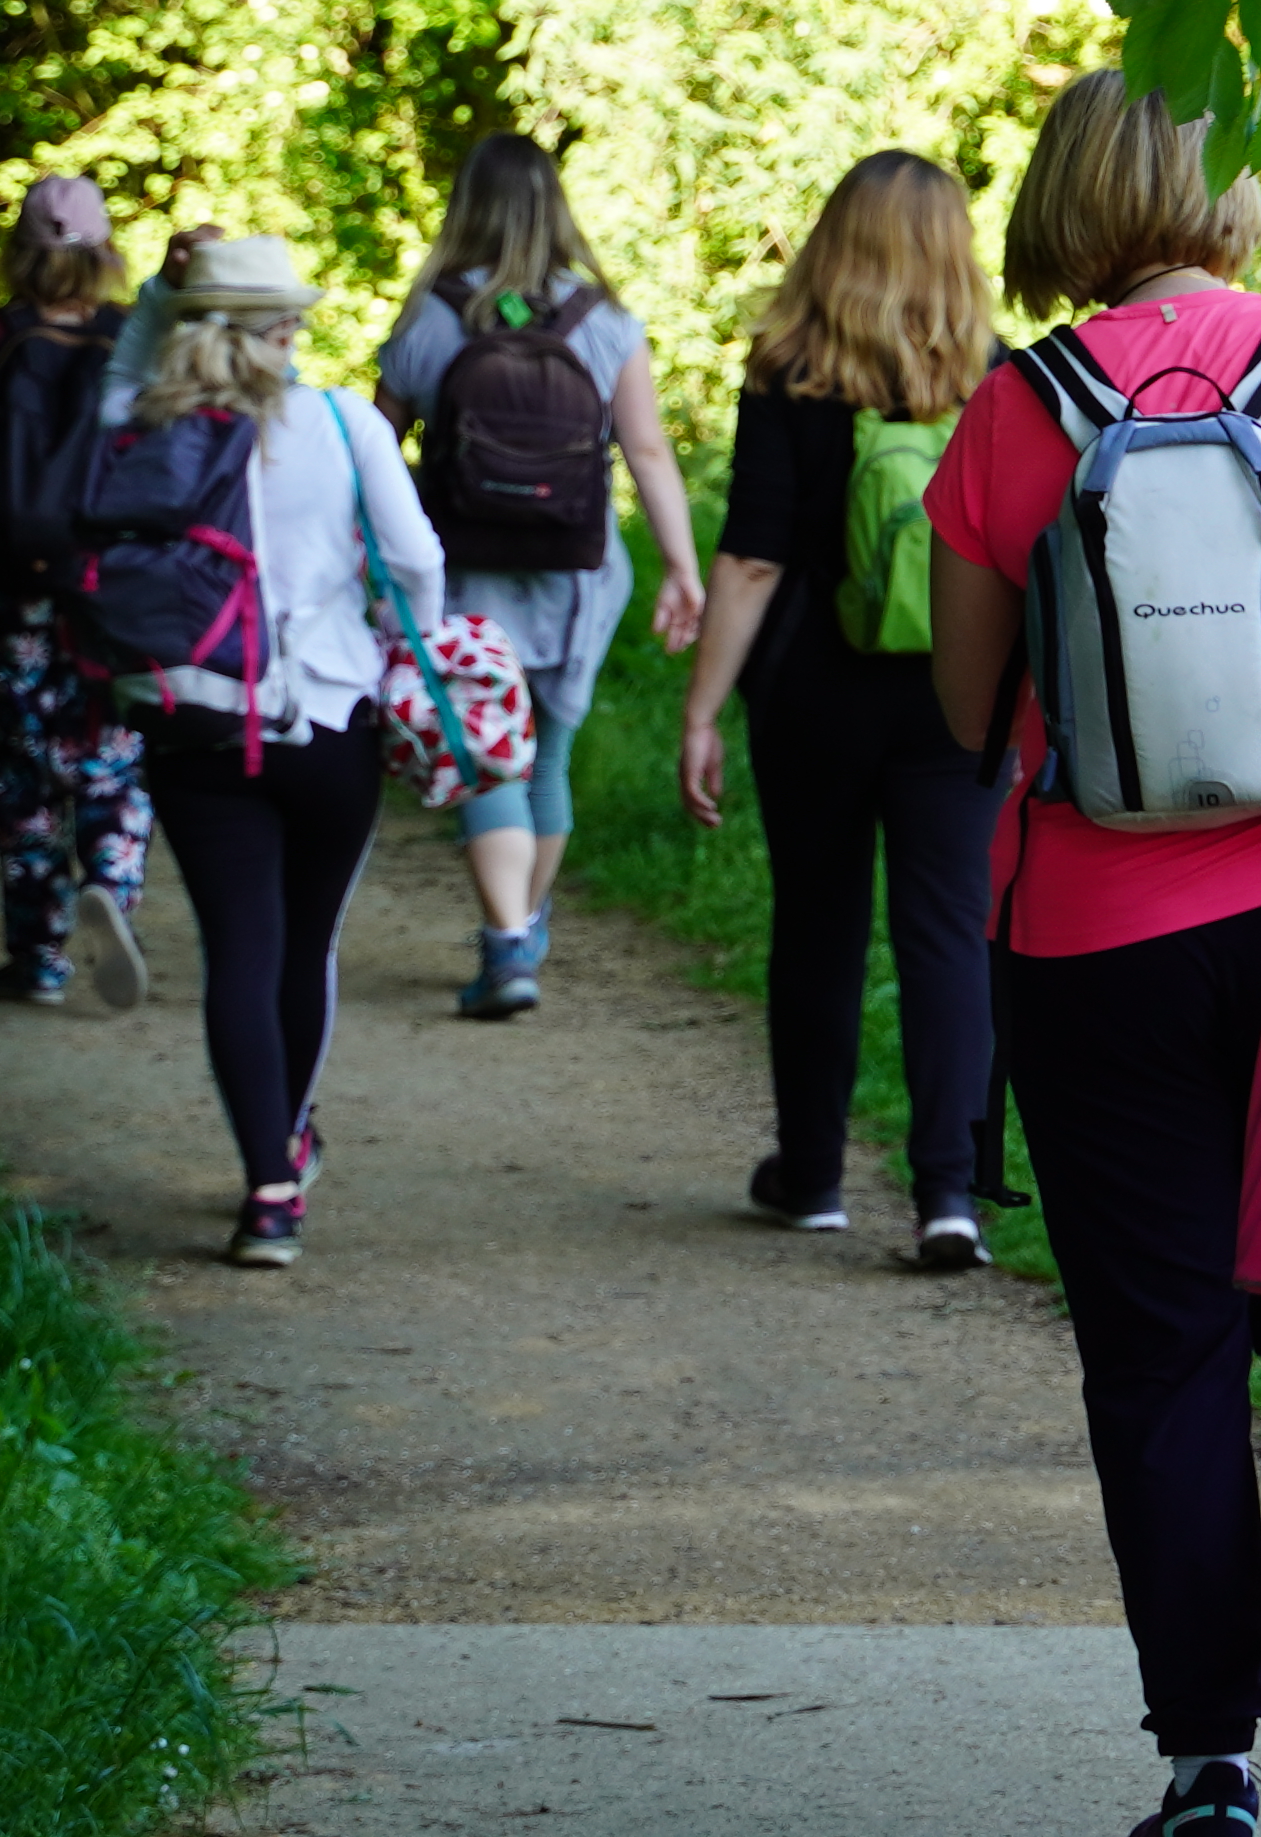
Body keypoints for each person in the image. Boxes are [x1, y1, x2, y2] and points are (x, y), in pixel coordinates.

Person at [925, 67, 1261, 1837]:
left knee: (1159, 1354)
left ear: (1068, 194)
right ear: (1230, 186)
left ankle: (1210, 1775)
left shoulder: (1013, 408)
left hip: (1094, 942)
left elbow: (970, 712)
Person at [673, 151, 1008, 1267]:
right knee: (949, 933)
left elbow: (755, 559)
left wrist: (702, 710)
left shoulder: (789, 367)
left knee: (816, 925)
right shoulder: (988, 375)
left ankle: (811, 1173)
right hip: (952, 694)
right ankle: (949, 1192)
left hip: (813, 690)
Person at [99, 231, 452, 1269]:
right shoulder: (344, 422)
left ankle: (269, 1190)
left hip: (194, 716)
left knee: (238, 951)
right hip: (330, 722)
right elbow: (414, 559)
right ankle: (289, 1139)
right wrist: (406, 650)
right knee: (307, 945)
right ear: (284, 327)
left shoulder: (144, 420)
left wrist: (164, 291)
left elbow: (128, 361)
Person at [376, 133, 705, 1020]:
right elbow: (645, 450)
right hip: (577, 576)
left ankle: (508, 940)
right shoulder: (605, 320)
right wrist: (682, 566)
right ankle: (522, 931)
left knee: (491, 761)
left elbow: (375, 451)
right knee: (545, 754)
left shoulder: (430, 317)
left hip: (464, 577)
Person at [0, 173, 150, 1014]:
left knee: (19, 768)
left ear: (19, 249)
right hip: (106, 583)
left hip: (4, 585)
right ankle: (111, 879)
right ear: (106, 251)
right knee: (117, 751)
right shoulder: (135, 336)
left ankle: (37, 958)